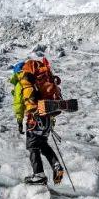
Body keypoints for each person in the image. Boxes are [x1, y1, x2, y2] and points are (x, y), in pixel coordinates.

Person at [15, 55, 65, 185]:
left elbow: (19, 104)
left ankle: (38, 175)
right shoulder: (40, 81)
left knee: (33, 146)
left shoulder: (23, 84)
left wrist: (19, 120)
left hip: (34, 119)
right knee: (43, 145)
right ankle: (57, 166)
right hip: (47, 119)